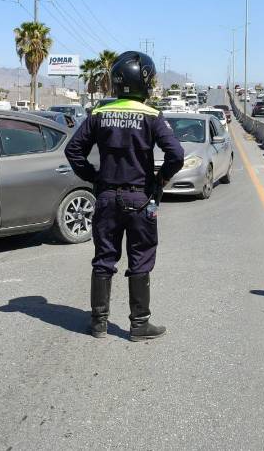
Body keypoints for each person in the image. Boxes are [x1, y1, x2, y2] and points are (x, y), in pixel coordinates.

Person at [64, 51, 184, 341]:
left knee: (104, 258)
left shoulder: (99, 114)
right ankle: (139, 324)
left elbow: (73, 151)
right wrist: (161, 179)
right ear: (144, 82)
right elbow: (176, 154)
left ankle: (98, 323)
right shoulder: (152, 116)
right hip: (139, 198)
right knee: (140, 259)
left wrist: (94, 176)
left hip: (106, 197)